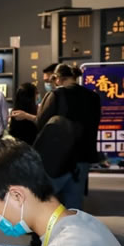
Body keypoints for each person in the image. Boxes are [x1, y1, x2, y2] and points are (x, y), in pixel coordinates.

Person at [35, 64, 101, 210]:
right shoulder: (93, 97)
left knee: (51, 203)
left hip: (58, 157)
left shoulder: (56, 95)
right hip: (83, 156)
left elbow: (41, 123)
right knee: (74, 204)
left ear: (58, 78)